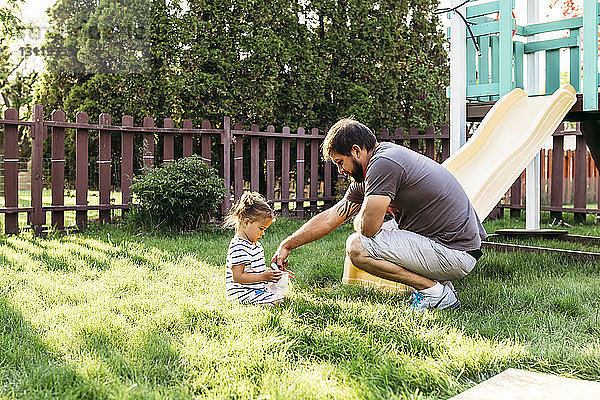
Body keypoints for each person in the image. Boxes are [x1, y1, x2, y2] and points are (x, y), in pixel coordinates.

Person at [272, 118, 486, 310]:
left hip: (456, 253)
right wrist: (287, 245)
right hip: (451, 246)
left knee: (357, 246)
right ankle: (437, 287)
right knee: (381, 232)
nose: (340, 170)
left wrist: (359, 221)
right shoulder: (372, 169)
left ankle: (435, 293)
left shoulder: (383, 164)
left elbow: (368, 229)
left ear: (356, 151)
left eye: (340, 162)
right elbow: (330, 218)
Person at [224, 191, 290, 304]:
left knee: (281, 296)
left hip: (255, 289)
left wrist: (274, 272)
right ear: (246, 222)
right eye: (261, 229)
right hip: (242, 293)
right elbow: (238, 277)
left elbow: (256, 270)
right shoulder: (238, 247)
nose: (262, 233)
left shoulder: (255, 245)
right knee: (277, 301)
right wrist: (264, 277)